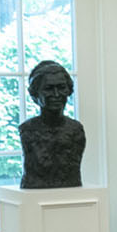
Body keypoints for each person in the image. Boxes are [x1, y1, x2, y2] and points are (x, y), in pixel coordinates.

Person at [18, 60, 84, 189]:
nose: (56, 94)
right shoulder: (27, 130)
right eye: (48, 89)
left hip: (71, 195)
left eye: (61, 88)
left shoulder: (76, 130)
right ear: (36, 93)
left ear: (68, 91)